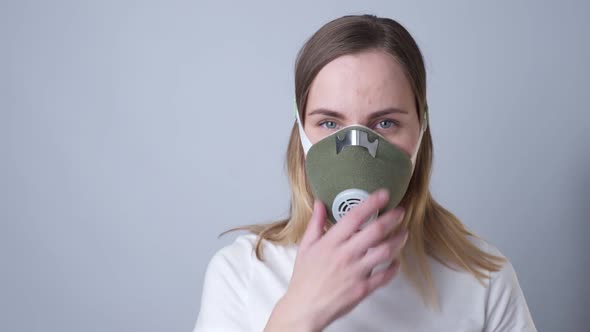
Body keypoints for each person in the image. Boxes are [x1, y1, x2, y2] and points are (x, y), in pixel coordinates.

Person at [193, 14, 537, 332]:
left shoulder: (483, 279)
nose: (356, 152)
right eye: (329, 123)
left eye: (385, 123)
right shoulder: (244, 273)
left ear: (422, 129)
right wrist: (297, 314)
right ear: (300, 131)